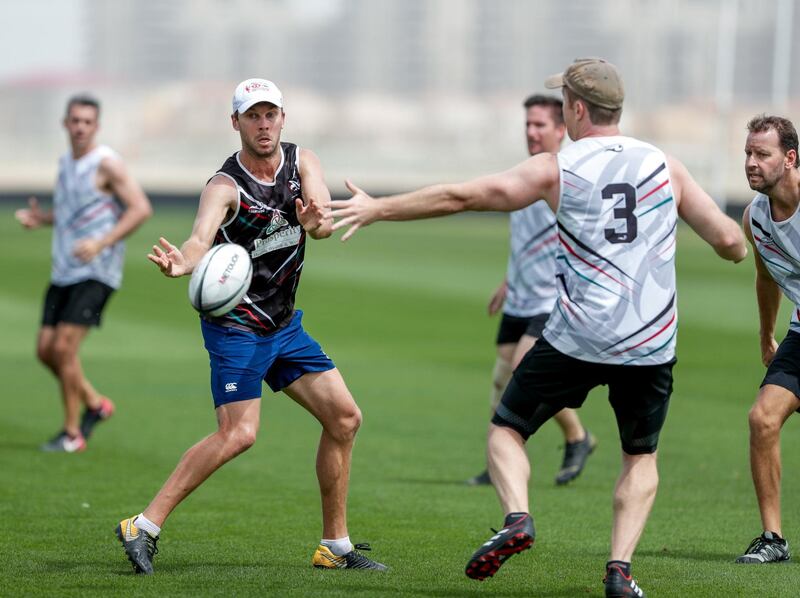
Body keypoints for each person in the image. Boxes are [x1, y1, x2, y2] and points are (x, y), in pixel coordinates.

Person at [331, 58, 746, 597]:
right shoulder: (666, 165)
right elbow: (731, 244)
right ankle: (619, 571)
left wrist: (378, 208)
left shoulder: (559, 166)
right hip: (650, 342)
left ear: (575, 108)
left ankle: (518, 518)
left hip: (578, 335)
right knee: (640, 457)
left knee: (506, 429)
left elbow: (464, 196)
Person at [114, 79, 386, 575]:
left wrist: (313, 220)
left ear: (283, 118)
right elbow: (200, 238)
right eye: (252, 116)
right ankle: (143, 525)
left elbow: (322, 224)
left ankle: (335, 546)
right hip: (236, 327)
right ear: (235, 122)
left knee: (345, 418)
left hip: (282, 325)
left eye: (271, 115)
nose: (263, 124)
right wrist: (184, 263)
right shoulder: (224, 185)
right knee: (239, 434)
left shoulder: (303, 162)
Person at [466, 94, 596, 488]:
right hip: (520, 294)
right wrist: (508, 282)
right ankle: (504, 457)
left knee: (525, 369)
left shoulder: (567, 179)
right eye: (528, 124)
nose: (531, 132)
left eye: (540, 125)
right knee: (504, 372)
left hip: (551, 299)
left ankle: (567, 438)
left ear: (561, 130)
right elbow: (526, 239)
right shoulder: (523, 174)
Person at [15, 94, 152, 453]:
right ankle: (96, 404)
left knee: (63, 348)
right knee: (45, 351)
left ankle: (73, 433)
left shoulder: (107, 164)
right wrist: (41, 219)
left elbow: (140, 209)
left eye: (87, 122)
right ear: (65, 123)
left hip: (96, 270)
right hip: (64, 269)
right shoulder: (66, 163)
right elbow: (71, 213)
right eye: (74, 120)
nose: (79, 127)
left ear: (97, 127)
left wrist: (102, 242)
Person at [736, 115, 800, 565]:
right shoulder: (755, 217)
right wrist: (766, 336)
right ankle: (773, 538)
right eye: (748, 153)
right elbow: (765, 277)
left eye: (762, 154)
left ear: (790, 158)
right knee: (763, 419)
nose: (751, 163)